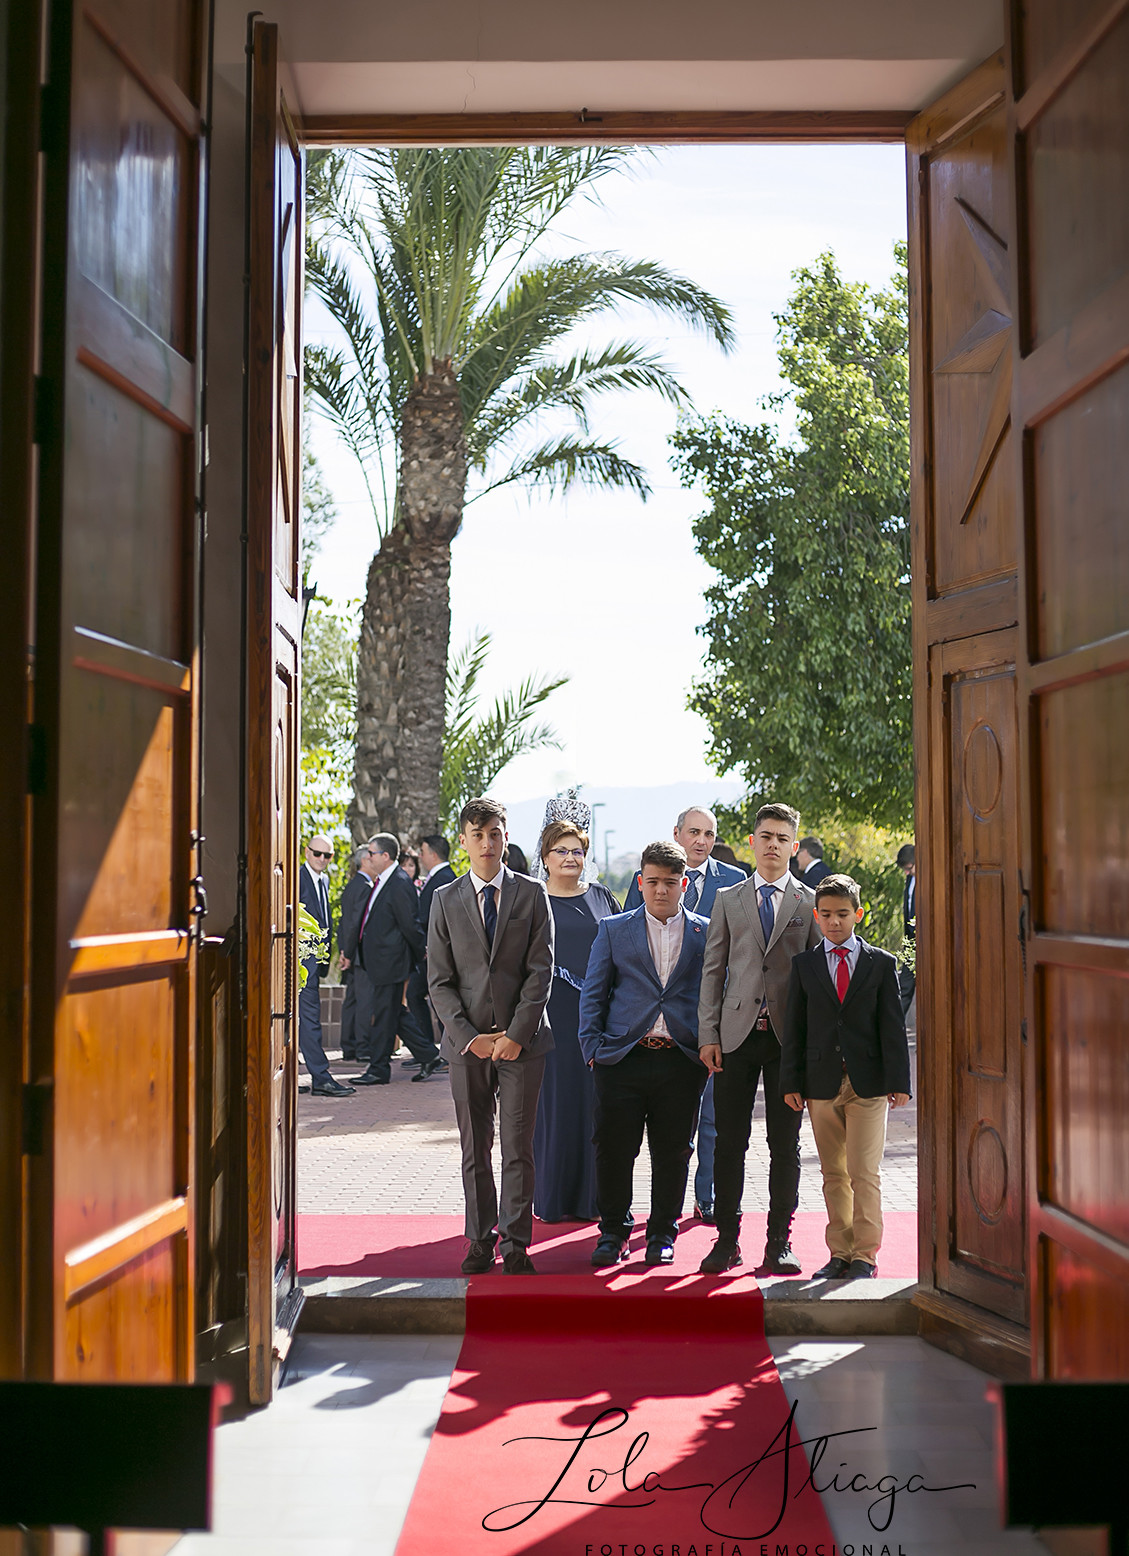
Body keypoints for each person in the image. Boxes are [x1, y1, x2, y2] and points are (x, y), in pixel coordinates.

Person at [428, 797, 554, 1275]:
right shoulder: (445, 899)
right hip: (468, 1046)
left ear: (506, 836)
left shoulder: (532, 894)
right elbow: (439, 981)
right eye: (477, 834)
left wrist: (515, 1035)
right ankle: (480, 1240)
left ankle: (516, 1242)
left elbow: (541, 971)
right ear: (463, 840)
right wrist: (470, 1037)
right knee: (474, 1148)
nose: (487, 843)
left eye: (494, 833)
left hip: (524, 1042)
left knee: (518, 1147)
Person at [697, 802, 821, 1274]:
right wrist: (708, 1033)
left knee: (784, 1146)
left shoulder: (808, 902)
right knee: (729, 1142)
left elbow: (815, 978)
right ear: (752, 841)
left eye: (782, 838)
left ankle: (779, 1243)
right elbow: (713, 971)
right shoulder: (728, 899)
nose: (773, 845)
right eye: (766, 836)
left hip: (788, 1041)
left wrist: (813, 1048)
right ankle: (727, 1241)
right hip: (735, 1037)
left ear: (794, 845)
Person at [579, 840, 710, 1267]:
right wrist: (593, 1049)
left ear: (684, 884)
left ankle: (661, 1234)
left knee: (673, 1152)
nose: (660, 890)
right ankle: (613, 1232)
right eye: (652, 882)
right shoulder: (614, 929)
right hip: (622, 1058)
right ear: (640, 881)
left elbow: (716, 993)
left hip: (681, 1060)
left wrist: (707, 1049)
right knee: (614, 1149)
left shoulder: (706, 932)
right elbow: (593, 993)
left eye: (670, 882)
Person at [781, 874, 911, 1279]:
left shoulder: (880, 963)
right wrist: (791, 1082)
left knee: (864, 1171)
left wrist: (899, 1082)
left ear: (858, 914)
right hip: (820, 1084)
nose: (834, 921)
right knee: (833, 1173)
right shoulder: (804, 966)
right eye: (826, 914)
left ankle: (865, 1255)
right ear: (816, 916)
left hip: (867, 1083)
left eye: (842, 913)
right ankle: (840, 1251)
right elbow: (795, 1028)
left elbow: (892, 1026)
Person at [623, 805, 744, 1229]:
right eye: (693, 832)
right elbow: (629, 940)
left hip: (712, 1022)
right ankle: (651, 1205)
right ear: (677, 833)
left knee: (712, 1118)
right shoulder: (647, 878)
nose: (701, 841)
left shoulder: (734, 882)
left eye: (709, 834)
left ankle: (705, 1196)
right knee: (663, 1127)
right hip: (656, 1025)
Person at [532, 815, 620, 1223]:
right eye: (561, 851)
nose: (570, 857)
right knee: (555, 1104)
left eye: (578, 851)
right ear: (545, 857)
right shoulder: (532, 900)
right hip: (550, 1017)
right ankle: (552, 1199)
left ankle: (594, 1200)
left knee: (596, 1105)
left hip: (598, 1017)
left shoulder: (602, 897)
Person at [345, 833, 426, 1086]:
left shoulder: (399, 883)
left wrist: (419, 954)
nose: (368, 857)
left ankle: (379, 1069)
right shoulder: (384, 880)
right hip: (380, 961)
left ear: (386, 856)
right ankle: (430, 1056)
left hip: (391, 961)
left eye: (372, 853)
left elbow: (410, 924)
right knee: (392, 1013)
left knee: (383, 1015)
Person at [298, 835, 354, 1097]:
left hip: (314, 964)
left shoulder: (324, 880)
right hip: (298, 964)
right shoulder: (297, 879)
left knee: (302, 1021)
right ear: (306, 852)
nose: (322, 859)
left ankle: (297, 1077)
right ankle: (321, 1078)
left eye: (327, 855)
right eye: (317, 853)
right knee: (309, 1021)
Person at [402, 834, 457, 1075]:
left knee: (436, 1000)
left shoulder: (444, 879)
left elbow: (435, 918)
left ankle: (442, 1053)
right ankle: (427, 1052)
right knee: (417, 995)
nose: (420, 857)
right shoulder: (438, 877)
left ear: (433, 854)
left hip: (436, 952)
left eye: (422, 852)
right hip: (430, 952)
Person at [337, 841, 381, 1062]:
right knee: (364, 1001)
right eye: (372, 856)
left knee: (352, 1000)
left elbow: (343, 923)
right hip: (360, 954)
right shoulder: (364, 887)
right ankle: (362, 1048)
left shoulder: (352, 885)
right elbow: (355, 923)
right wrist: (350, 952)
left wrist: (345, 950)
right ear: (365, 860)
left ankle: (349, 1046)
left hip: (351, 952)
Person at [897, 842, 916, 1016]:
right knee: (904, 986)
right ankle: (894, 1024)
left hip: (927, 940)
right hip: (911, 942)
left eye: (909, 868)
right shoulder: (910, 879)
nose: (907, 873)